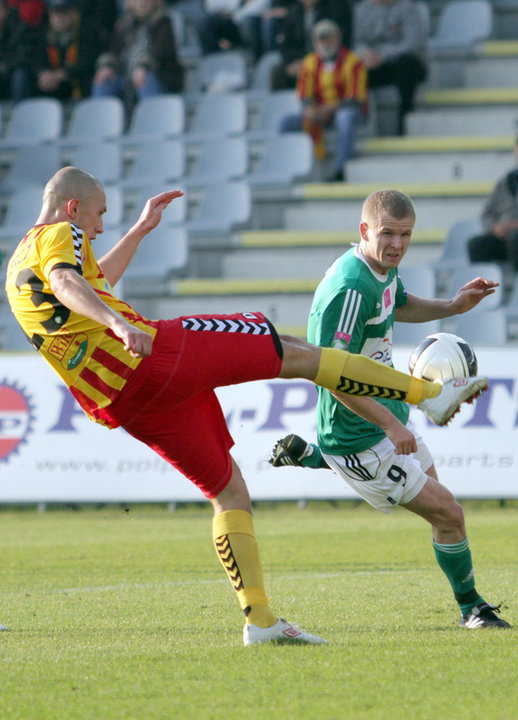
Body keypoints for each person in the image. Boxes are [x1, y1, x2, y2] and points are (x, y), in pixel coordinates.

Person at [5, 171, 488, 643]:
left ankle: (259, 620)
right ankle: (430, 394)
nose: (100, 226)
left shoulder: (18, 265)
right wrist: (117, 324)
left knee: (230, 490)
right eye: (99, 214)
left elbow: (92, 282)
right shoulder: (59, 233)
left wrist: (138, 232)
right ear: (72, 207)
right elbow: (71, 283)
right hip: (154, 354)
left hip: (120, 400)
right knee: (296, 351)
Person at [269, 188, 510, 630]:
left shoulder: (380, 273)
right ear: (364, 230)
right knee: (449, 514)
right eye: (387, 234)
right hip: (356, 435)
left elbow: (398, 303)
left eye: (405, 235)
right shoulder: (350, 289)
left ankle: (311, 456)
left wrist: (452, 306)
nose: (397, 244)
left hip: (386, 422)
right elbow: (329, 372)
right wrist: (387, 423)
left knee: (444, 507)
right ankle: (472, 609)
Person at [279, 19, 367, 182]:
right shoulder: (309, 62)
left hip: (346, 111)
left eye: (328, 38)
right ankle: (286, 168)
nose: (325, 43)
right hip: (319, 112)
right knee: (286, 122)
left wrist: (330, 109)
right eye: (321, 39)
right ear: (315, 42)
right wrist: (311, 110)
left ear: (337, 38)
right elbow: (304, 96)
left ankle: (341, 169)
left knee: (345, 117)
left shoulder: (353, 61)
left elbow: (355, 98)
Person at [353, 0, 428, 135]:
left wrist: (382, 55)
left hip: (402, 62)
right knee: (351, 70)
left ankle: (404, 123)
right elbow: (357, 41)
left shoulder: (408, 8)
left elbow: (413, 44)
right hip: (373, 62)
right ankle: (359, 123)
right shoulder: (361, 10)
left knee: (407, 66)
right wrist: (365, 54)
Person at [92, 0, 184, 107]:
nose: (142, 2)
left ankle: (152, 118)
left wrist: (143, 66)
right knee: (104, 80)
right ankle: (101, 120)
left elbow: (160, 52)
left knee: (144, 79)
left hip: (159, 77)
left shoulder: (163, 22)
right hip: (126, 76)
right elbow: (113, 51)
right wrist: (107, 66)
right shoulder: (124, 24)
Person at [30, 0, 105, 101]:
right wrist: (43, 73)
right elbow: (37, 58)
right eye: (55, 13)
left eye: (63, 13)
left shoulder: (86, 30)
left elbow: (88, 61)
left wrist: (61, 75)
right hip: (51, 85)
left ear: (73, 13)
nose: (59, 18)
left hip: (77, 83)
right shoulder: (43, 32)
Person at [271, 0, 353, 91]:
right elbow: (285, 43)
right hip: (300, 58)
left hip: (327, 57)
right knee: (278, 72)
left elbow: (337, 40)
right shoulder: (293, 11)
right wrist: (295, 61)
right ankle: (286, 104)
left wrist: (311, 62)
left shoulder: (335, 7)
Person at [467, 137, 518, 272]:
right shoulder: (507, 181)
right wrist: (495, 228)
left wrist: (513, 225)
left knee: (515, 237)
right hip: (505, 238)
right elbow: (487, 213)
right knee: (476, 244)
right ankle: (484, 287)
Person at [197, 0, 270, 62]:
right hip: (232, 20)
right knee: (205, 24)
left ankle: (259, 63)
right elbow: (212, 6)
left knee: (250, 23)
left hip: (257, 20)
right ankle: (213, 66)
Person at [0, 0, 37, 102]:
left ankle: (20, 113)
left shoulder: (20, 28)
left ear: (6, 11)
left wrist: (4, 66)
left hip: (13, 73)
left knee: (20, 76)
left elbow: (23, 57)